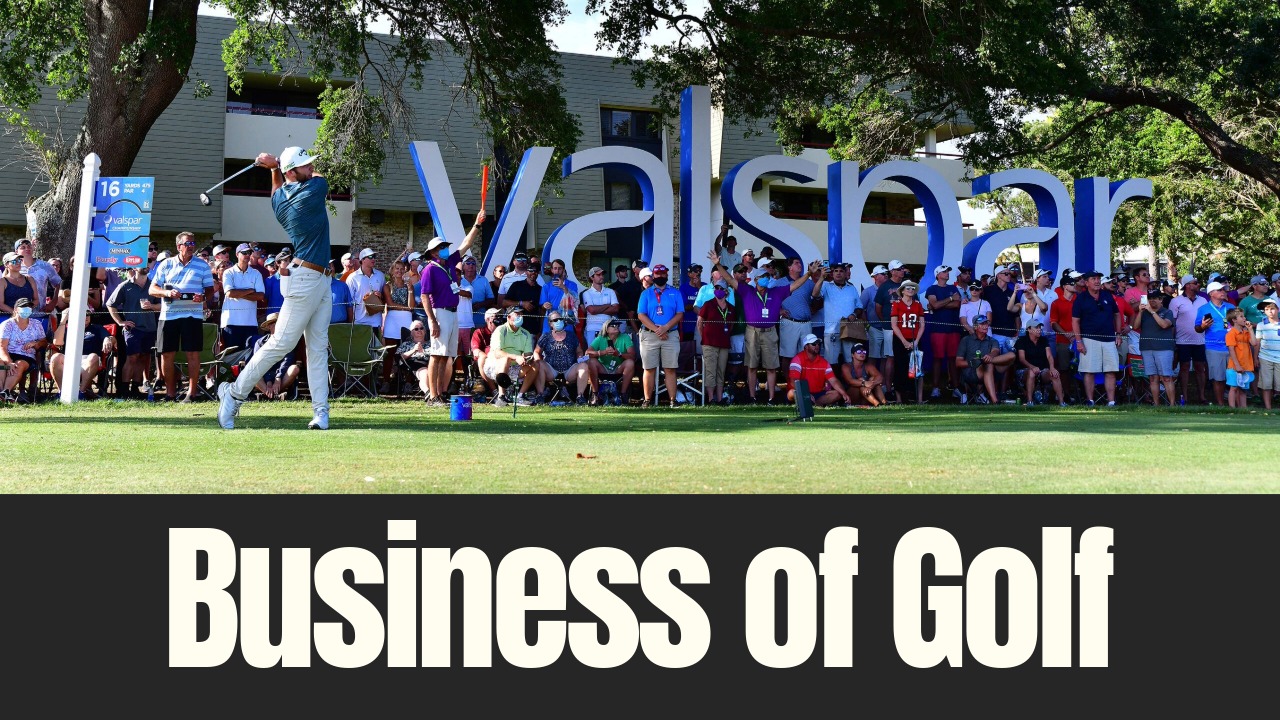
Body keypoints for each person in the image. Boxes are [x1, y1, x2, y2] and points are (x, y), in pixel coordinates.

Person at [219, 146, 336, 430]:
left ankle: (321, 413)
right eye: (305, 166)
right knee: (280, 343)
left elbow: (276, 190)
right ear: (292, 173)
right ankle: (232, 395)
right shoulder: (314, 189)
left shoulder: (279, 201)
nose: (311, 169)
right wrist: (277, 167)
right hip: (306, 279)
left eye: (310, 165)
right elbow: (319, 177)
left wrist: (273, 168)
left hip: (321, 279)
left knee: (318, 348)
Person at [709, 251, 819, 404]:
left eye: (767, 277)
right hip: (752, 331)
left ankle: (772, 398)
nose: (766, 279)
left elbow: (795, 285)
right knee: (752, 366)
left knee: (771, 366)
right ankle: (752, 397)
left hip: (770, 331)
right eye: (763, 277)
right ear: (756, 279)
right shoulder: (747, 291)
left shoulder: (777, 292)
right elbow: (728, 278)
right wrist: (717, 264)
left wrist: (808, 274)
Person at [418, 214, 486, 405]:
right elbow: (424, 296)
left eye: (445, 246)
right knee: (436, 355)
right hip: (440, 313)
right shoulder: (429, 269)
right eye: (441, 247)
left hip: (453, 312)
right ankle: (433, 395)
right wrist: (431, 320)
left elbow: (465, 243)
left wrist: (477, 225)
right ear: (433, 252)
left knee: (445, 356)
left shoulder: (447, 264)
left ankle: (440, 393)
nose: (445, 249)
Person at [150, 231, 215, 403]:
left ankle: (192, 394)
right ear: (179, 246)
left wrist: (203, 297)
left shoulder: (202, 265)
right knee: (166, 354)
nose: (192, 247)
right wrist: (166, 292)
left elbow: (210, 289)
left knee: (192, 354)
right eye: (188, 244)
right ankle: (170, 393)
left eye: (193, 244)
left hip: (192, 314)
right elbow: (152, 289)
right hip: (169, 315)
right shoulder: (166, 264)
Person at [107, 265, 159, 399]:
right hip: (132, 328)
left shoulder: (154, 285)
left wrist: (152, 306)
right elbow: (110, 304)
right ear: (135, 267)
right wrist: (120, 322)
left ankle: (135, 390)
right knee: (132, 357)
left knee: (142, 357)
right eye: (143, 263)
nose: (147, 265)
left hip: (150, 328)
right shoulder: (125, 286)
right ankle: (123, 391)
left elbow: (162, 305)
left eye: (148, 262)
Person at [635, 263, 684, 408]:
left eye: (663, 274)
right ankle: (647, 400)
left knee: (670, 368)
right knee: (649, 368)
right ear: (653, 276)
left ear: (667, 275)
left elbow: (680, 313)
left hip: (670, 334)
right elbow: (641, 315)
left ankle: (672, 401)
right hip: (650, 335)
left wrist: (666, 328)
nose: (661, 276)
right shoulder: (646, 293)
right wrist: (658, 330)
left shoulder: (675, 292)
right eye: (658, 274)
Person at [1071, 270, 1123, 406]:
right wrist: (1078, 341)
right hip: (1089, 339)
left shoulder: (1107, 295)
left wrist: (1118, 333)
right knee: (1089, 371)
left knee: (1111, 370)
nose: (1097, 281)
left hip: (1109, 339)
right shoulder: (1080, 298)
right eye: (1093, 279)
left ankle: (1111, 402)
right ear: (1086, 282)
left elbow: (1117, 315)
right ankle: (1090, 401)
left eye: (1098, 278)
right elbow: (1075, 321)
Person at [50, 305, 114, 400]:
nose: (86, 316)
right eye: (82, 314)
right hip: (69, 359)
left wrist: (108, 339)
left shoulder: (97, 328)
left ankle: (81, 393)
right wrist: (63, 320)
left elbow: (112, 338)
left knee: (93, 357)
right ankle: (62, 393)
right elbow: (57, 342)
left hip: (88, 360)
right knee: (55, 357)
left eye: (88, 314)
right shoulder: (68, 328)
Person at [484, 305, 539, 405]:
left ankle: (520, 396)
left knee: (535, 364)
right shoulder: (500, 330)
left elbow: (528, 353)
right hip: (494, 366)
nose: (520, 317)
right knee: (505, 359)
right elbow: (497, 353)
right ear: (508, 317)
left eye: (521, 314)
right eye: (517, 314)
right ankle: (501, 396)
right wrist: (516, 357)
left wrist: (527, 359)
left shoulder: (525, 333)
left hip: (515, 367)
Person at [218, 242, 266, 356]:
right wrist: (250, 290)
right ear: (237, 254)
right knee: (231, 357)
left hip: (250, 323)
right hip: (231, 322)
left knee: (250, 357)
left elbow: (260, 296)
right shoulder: (228, 272)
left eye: (249, 252)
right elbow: (229, 293)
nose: (247, 255)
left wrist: (238, 293)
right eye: (244, 252)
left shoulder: (256, 273)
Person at [955, 314, 1014, 405]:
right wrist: (972, 362)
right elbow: (958, 362)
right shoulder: (966, 340)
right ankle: (995, 401)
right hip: (972, 372)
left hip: (993, 369)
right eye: (982, 324)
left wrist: (990, 356)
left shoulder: (992, 340)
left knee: (1011, 355)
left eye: (986, 323)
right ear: (975, 327)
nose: (986, 326)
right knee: (988, 365)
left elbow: (996, 351)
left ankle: (987, 361)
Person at [1169, 274, 1210, 404]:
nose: (1198, 285)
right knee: (1184, 368)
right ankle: (1184, 397)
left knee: (1200, 368)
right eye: (1195, 282)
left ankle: (1202, 397)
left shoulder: (1203, 301)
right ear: (1187, 285)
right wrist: (1173, 341)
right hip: (1182, 341)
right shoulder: (1176, 301)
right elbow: (1172, 322)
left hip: (1200, 340)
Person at [535, 309, 588, 403]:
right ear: (550, 324)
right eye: (555, 320)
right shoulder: (546, 336)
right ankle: (540, 395)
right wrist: (538, 360)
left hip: (570, 368)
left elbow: (579, 351)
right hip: (550, 369)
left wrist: (580, 358)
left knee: (584, 366)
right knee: (539, 364)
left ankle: (580, 396)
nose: (558, 321)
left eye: (560, 319)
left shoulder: (572, 335)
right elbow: (536, 352)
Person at [925, 264, 962, 399]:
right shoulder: (932, 289)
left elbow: (957, 304)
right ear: (938, 275)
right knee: (937, 358)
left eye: (947, 271)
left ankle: (955, 387)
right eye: (944, 271)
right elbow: (934, 305)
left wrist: (942, 304)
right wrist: (950, 299)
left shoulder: (953, 288)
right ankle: (935, 388)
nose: (947, 273)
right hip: (938, 329)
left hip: (953, 328)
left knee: (953, 359)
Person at [697, 282, 737, 405]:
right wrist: (704, 337)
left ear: (726, 291)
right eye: (716, 288)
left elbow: (731, 326)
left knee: (721, 371)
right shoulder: (708, 304)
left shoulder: (731, 308)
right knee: (710, 371)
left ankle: (719, 399)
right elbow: (700, 322)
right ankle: (710, 398)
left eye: (721, 288)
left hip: (724, 343)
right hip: (709, 343)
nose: (718, 290)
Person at [1136, 289, 1177, 406]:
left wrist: (1153, 313)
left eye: (1155, 298)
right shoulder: (1144, 313)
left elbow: (1164, 325)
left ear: (1161, 300)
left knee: (1166, 377)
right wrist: (1140, 312)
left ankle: (1172, 405)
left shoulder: (1167, 312)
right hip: (1147, 347)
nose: (1152, 301)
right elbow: (1135, 326)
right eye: (1150, 298)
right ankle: (1156, 404)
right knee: (1153, 378)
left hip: (1164, 348)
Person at [0, 298, 46, 402]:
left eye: (29, 307)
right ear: (16, 309)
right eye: (24, 307)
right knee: (1, 365)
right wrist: (9, 362)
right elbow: (2, 346)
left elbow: (44, 342)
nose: (27, 310)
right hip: (8, 354)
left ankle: (5, 392)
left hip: (26, 356)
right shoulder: (7, 324)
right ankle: (3, 393)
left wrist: (36, 343)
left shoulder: (36, 324)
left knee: (19, 364)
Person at [787, 333, 850, 406]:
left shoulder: (824, 362)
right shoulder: (797, 359)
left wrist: (844, 393)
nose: (817, 346)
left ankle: (815, 404)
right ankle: (810, 403)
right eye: (813, 344)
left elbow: (833, 380)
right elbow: (793, 381)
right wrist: (805, 394)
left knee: (837, 394)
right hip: (801, 392)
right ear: (806, 346)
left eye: (818, 344)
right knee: (792, 392)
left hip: (818, 394)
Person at [874, 259, 908, 394]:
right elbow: (878, 308)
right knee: (891, 357)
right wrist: (887, 322)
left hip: (906, 327)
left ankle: (903, 388)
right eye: (899, 269)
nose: (902, 271)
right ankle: (888, 389)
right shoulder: (884, 286)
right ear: (892, 271)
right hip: (890, 327)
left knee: (904, 358)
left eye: (903, 269)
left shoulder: (907, 285)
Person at [890, 279, 926, 404]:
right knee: (900, 367)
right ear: (902, 291)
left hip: (915, 339)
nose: (910, 290)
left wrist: (916, 341)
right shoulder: (897, 304)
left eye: (912, 288)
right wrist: (904, 341)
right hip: (900, 339)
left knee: (917, 368)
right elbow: (894, 325)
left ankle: (919, 398)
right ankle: (900, 399)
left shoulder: (918, 305)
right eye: (907, 288)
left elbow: (922, 325)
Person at [249, 313, 301, 399]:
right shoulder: (260, 342)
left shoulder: (288, 341)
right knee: (251, 370)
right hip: (264, 375)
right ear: (269, 326)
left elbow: (287, 360)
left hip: (282, 375)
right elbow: (259, 362)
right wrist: (268, 380)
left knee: (294, 368)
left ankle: (272, 393)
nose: (279, 326)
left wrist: (278, 377)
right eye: (275, 323)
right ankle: (269, 393)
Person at [1015, 318, 1065, 406]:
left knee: (1054, 374)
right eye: (1036, 327)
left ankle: (1062, 402)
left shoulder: (1044, 340)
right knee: (1031, 373)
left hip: (1042, 370)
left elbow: (1049, 355)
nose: (1039, 330)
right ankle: (1030, 401)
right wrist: (1032, 367)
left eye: (1039, 327)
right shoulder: (1021, 341)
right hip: (1025, 370)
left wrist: (1052, 368)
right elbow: (1022, 359)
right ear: (1029, 329)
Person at [1201, 280, 1236, 406]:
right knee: (1218, 378)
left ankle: (1236, 406)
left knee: (1235, 378)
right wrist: (1203, 326)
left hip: (1233, 346)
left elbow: (1239, 323)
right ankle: (1221, 405)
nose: (1223, 292)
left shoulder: (1231, 307)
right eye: (1220, 290)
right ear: (1211, 293)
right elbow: (1197, 328)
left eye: (1223, 290)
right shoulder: (1203, 309)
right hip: (1214, 347)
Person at [1049, 271, 1083, 401]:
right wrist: (1066, 334)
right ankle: (1065, 394)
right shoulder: (1056, 303)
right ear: (1064, 286)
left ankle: (1079, 395)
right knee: (1064, 369)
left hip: (1079, 340)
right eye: (1071, 283)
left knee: (1080, 367)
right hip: (1062, 341)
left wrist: (1076, 334)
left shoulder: (1079, 301)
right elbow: (1053, 323)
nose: (1074, 285)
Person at [346, 248, 386, 339]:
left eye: (374, 256)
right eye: (370, 257)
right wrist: (350, 323)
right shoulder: (352, 278)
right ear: (362, 260)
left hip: (376, 321)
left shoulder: (380, 275)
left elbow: (385, 298)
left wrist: (381, 296)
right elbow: (349, 303)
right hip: (359, 321)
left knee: (376, 350)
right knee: (361, 351)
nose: (373, 259)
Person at [861, 264, 889, 378]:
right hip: (874, 328)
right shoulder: (868, 291)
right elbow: (861, 309)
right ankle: (870, 381)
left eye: (886, 273)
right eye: (883, 274)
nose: (886, 275)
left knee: (884, 357)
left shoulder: (889, 290)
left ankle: (881, 381)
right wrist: (867, 326)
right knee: (873, 356)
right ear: (876, 276)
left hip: (887, 328)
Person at [580, 266, 620, 346]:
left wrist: (597, 308)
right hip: (592, 328)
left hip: (609, 328)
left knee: (609, 354)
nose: (601, 276)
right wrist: (608, 305)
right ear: (592, 277)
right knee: (593, 354)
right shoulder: (586, 293)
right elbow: (592, 310)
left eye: (602, 274)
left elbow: (616, 309)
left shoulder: (610, 291)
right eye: (598, 275)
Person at [1224, 308, 1256, 409]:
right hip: (1234, 366)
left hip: (1246, 366)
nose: (1244, 318)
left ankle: (1243, 409)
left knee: (1243, 389)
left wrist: (1250, 330)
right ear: (1234, 320)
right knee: (1233, 388)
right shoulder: (1231, 334)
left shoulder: (1246, 333)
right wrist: (1237, 365)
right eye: (1241, 316)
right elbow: (1231, 350)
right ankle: (1232, 408)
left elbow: (1254, 343)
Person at [538, 258, 579, 334]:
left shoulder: (572, 285)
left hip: (566, 321)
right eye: (555, 268)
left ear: (563, 270)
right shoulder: (546, 286)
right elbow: (542, 305)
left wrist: (563, 287)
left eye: (560, 268)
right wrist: (545, 305)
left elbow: (575, 301)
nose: (557, 271)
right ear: (552, 270)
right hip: (550, 321)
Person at [1253, 297, 1280, 410]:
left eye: (1272, 308)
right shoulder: (1261, 325)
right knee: (1266, 384)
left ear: (1278, 309)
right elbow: (1257, 343)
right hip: (1265, 357)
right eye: (1267, 309)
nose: (1270, 311)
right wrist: (1255, 358)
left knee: (1279, 385)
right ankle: (1268, 408)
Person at [839, 342, 885, 407]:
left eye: (864, 352)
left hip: (866, 397)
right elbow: (850, 381)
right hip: (852, 397)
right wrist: (864, 383)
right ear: (852, 355)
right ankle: (877, 404)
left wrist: (871, 385)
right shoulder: (846, 366)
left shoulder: (868, 366)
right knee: (861, 380)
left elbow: (880, 377)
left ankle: (884, 403)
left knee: (874, 380)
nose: (862, 353)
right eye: (858, 351)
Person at [470, 307, 501, 398]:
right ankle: (494, 391)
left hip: (500, 358)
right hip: (486, 359)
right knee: (481, 359)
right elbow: (476, 350)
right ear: (488, 320)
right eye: (496, 316)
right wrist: (486, 356)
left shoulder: (503, 331)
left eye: (499, 316)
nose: (498, 318)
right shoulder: (479, 332)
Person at [397, 319, 432, 398]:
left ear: (425, 331)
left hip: (432, 363)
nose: (419, 330)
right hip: (416, 364)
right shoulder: (406, 344)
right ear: (411, 333)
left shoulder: (432, 343)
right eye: (416, 329)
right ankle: (428, 392)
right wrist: (414, 350)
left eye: (421, 328)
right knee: (425, 372)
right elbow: (399, 357)